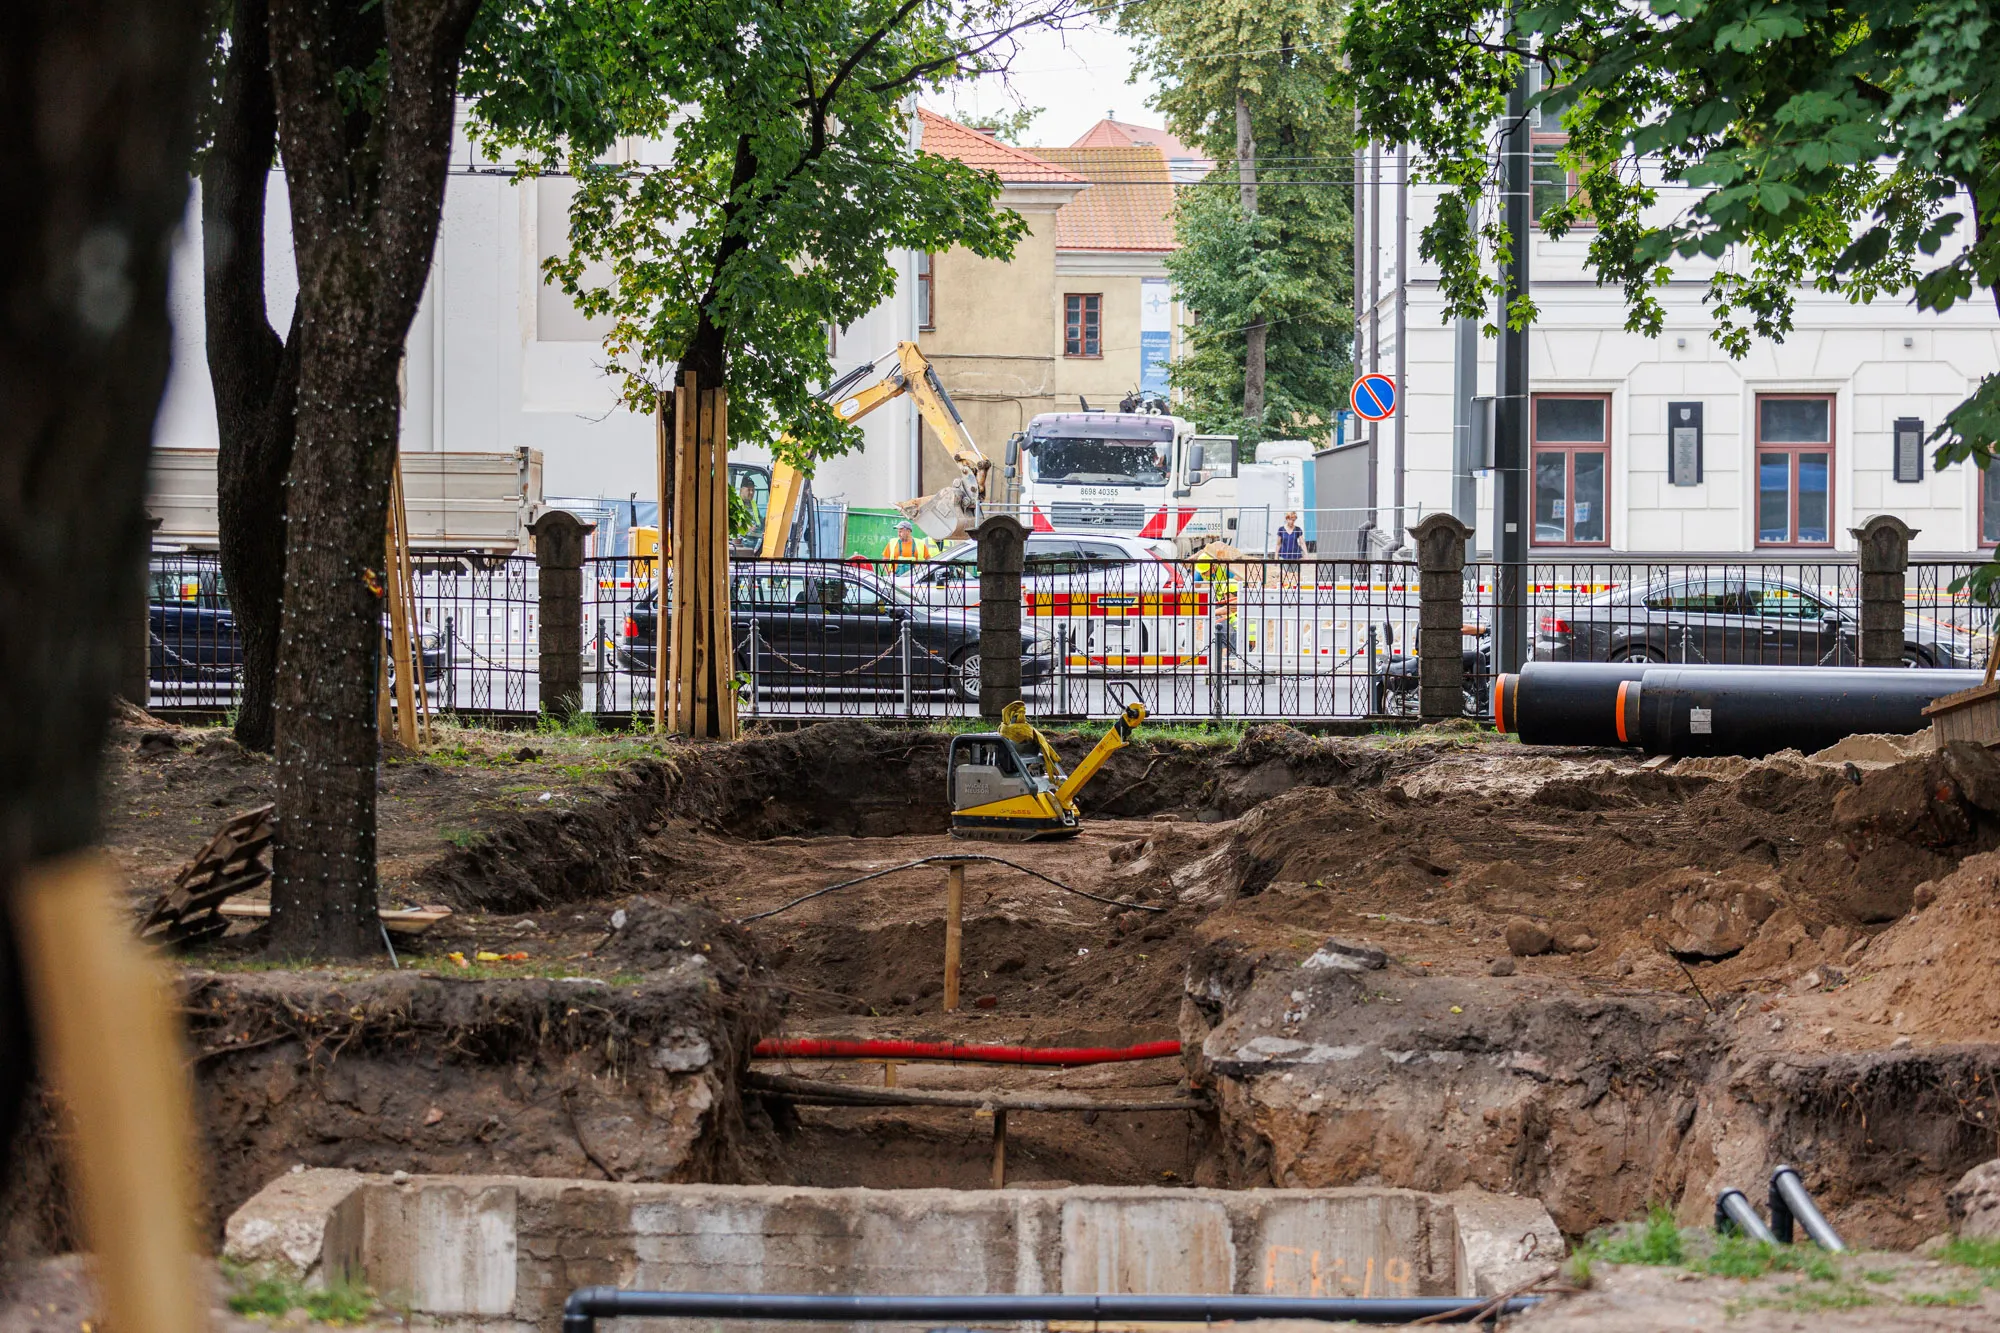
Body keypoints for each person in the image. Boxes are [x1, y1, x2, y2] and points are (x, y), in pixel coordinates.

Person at [1276, 511, 1305, 591]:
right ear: (1287, 519)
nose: (1292, 522)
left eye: (1293, 520)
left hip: (1295, 555)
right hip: (1284, 555)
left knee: (1296, 574)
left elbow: (1302, 543)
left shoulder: (1298, 529)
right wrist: (1276, 557)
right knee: (1284, 573)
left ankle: (1296, 589)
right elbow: (1278, 544)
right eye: (1290, 519)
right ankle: (1283, 589)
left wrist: (1306, 554)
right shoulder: (1281, 529)